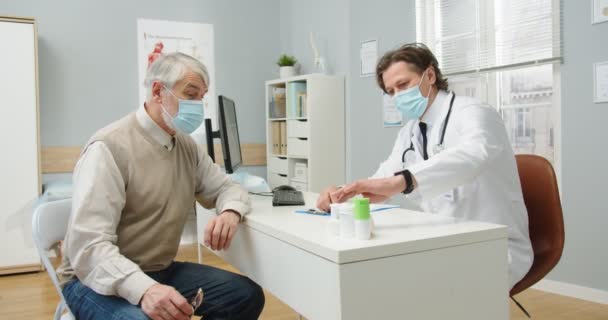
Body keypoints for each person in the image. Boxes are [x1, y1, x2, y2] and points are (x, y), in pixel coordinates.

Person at [57, 52, 265, 320]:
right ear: (157, 91)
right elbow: (90, 247)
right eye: (191, 95)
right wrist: (145, 290)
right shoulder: (109, 148)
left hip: (159, 269)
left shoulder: (186, 147)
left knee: (245, 296)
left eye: (202, 97)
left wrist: (230, 212)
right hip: (92, 280)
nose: (198, 106)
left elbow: (228, 188)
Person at [317, 43, 533, 289]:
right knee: (382, 279)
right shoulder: (410, 132)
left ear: (429, 75)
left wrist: (405, 180)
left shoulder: (473, 112)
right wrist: (343, 193)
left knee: (418, 290)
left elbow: (474, 154)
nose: (397, 96)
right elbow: (384, 178)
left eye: (403, 84)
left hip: (493, 243)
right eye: (390, 91)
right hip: (441, 239)